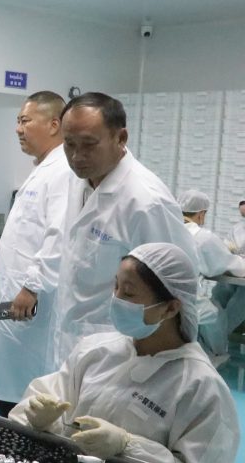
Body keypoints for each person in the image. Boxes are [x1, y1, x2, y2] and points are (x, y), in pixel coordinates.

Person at [10, 243, 239, 463]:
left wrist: (129, 446)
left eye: (129, 293)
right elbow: (46, 400)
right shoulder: (95, 351)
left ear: (171, 308)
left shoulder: (201, 388)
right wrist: (41, 418)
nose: (116, 299)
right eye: (116, 286)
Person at [50, 92, 198, 369]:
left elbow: (178, 289)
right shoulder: (80, 181)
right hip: (73, 343)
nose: (77, 156)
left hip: (123, 354)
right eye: (69, 144)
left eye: (89, 144)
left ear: (121, 138)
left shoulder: (146, 202)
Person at [0, 91, 71, 417]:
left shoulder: (63, 171)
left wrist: (32, 286)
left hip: (31, 298)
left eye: (25, 121)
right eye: (17, 121)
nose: (18, 129)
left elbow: (59, 235)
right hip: (16, 294)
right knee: (7, 378)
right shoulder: (43, 169)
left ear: (54, 124)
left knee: (24, 387)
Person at [179, 189, 245, 357]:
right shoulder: (203, 237)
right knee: (217, 314)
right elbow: (232, 265)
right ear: (201, 214)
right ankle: (215, 356)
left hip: (165, 295)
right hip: (188, 299)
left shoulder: (168, 228)